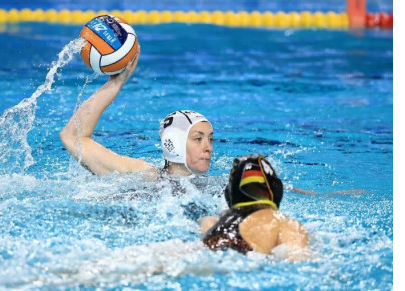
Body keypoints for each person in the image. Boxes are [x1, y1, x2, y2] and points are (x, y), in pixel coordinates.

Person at [60, 46, 214, 178]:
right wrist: (116, 83)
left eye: (210, 139)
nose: (209, 147)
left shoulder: (216, 185)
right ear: (172, 143)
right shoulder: (144, 176)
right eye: (198, 139)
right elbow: (72, 137)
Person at [201, 154, 311, 261]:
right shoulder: (285, 224)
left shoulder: (210, 222)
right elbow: (300, 261)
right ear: (277, 190)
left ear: (229, 194)